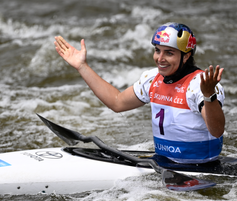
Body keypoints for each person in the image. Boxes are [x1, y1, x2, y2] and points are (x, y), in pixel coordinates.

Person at [54, 22, 225, 164]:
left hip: (200, 167)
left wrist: (209, 95)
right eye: (158, 50)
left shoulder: (201, 84)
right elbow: (117, 102)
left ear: (186, 57)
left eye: (169, 53)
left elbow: (217, 130)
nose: (160, 58)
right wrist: (82, 67)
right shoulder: (152, 79)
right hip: (162, 161)